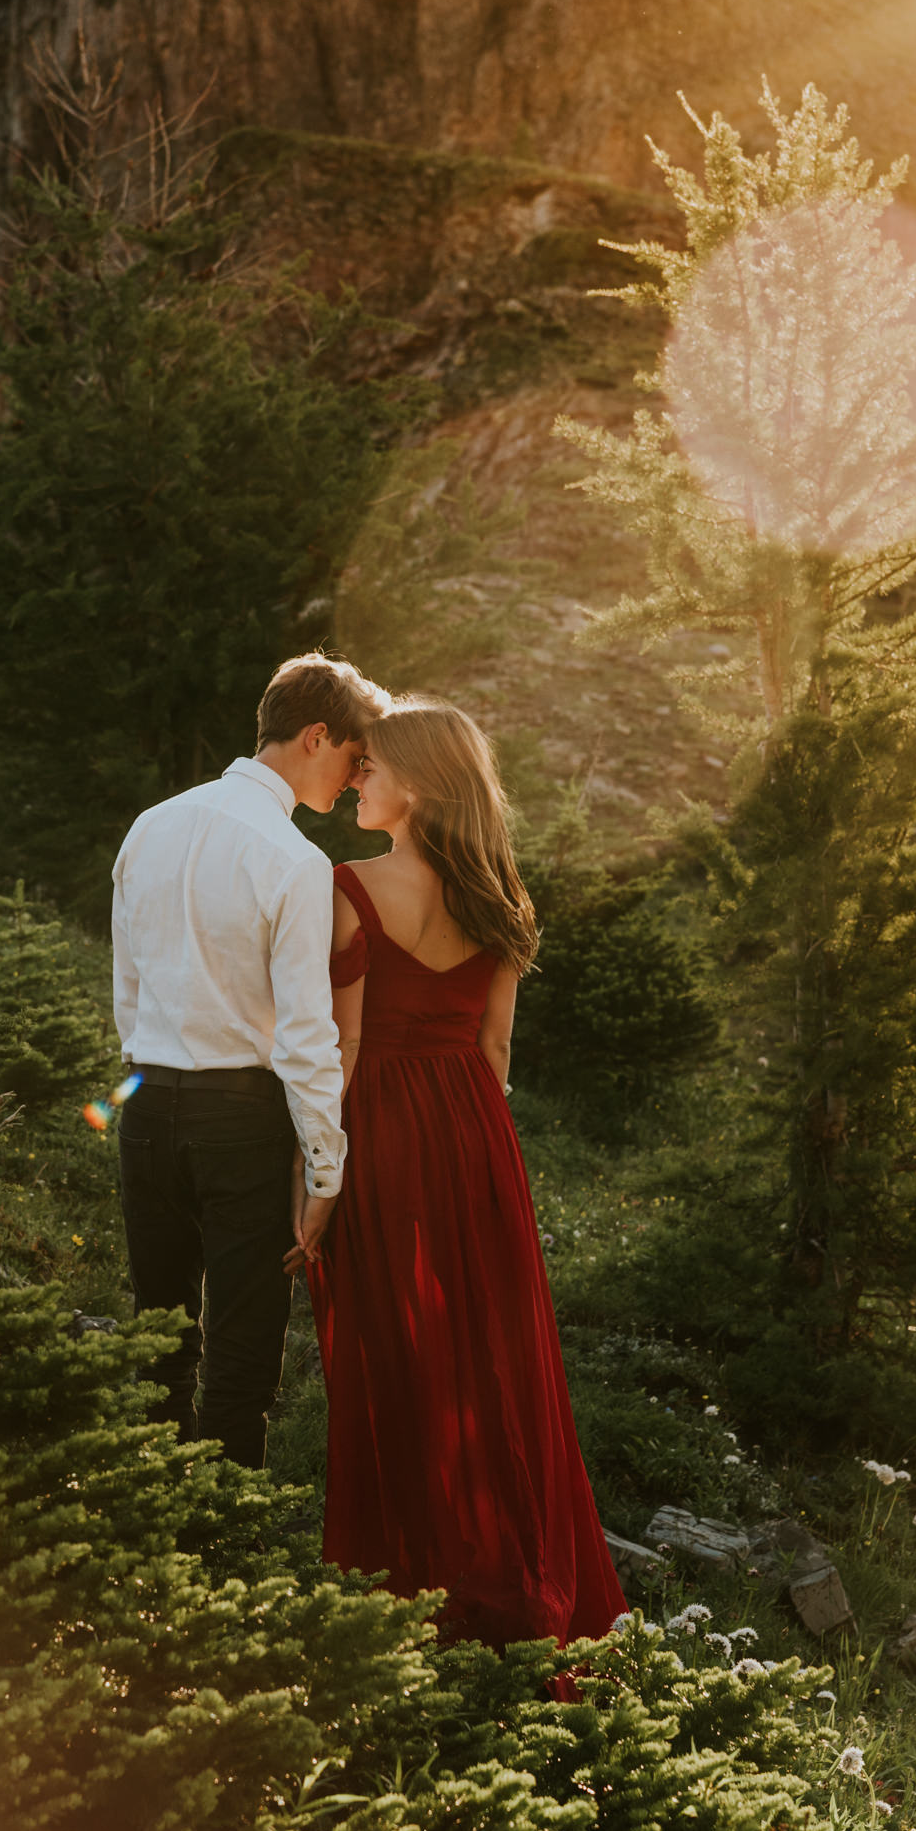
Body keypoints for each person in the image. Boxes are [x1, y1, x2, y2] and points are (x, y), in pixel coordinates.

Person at [303, 696, 626, 1647]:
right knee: (489, 1361)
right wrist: (480, 1158)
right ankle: (509, 1576)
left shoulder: (347, 885)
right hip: (477, 1136)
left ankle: (410, 1591)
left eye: (371, 768)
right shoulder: (498, 896)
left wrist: (317, 1188)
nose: (357, 779)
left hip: (383, 1130)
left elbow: (346, 1049)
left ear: (414, 783)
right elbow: (494, 1052)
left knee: (395, 1357)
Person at [111, 652, 389, 1470]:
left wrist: (140, 1087)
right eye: (350, 756)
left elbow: (127, 992)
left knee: (157, 1333)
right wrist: (325, 1175)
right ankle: (219, 1541)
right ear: (315, 737)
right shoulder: (294, 861)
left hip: (146, 1108)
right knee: (241, 1347)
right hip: (239, 1121)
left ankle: (149, 1522)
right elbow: (308, 1037)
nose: (351, 779)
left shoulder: (150, 824)